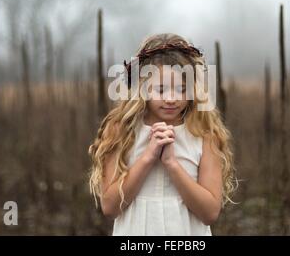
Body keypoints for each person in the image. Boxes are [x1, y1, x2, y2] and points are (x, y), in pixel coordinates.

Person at [88, 33, 237, 235]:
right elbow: (110, 207)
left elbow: (210, 213)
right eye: (160, 89)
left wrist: (172, 164)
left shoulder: (205, 134)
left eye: (181, 89)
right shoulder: (121, 130)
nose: (171, 98)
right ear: (142, 88)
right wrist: (148, 157)